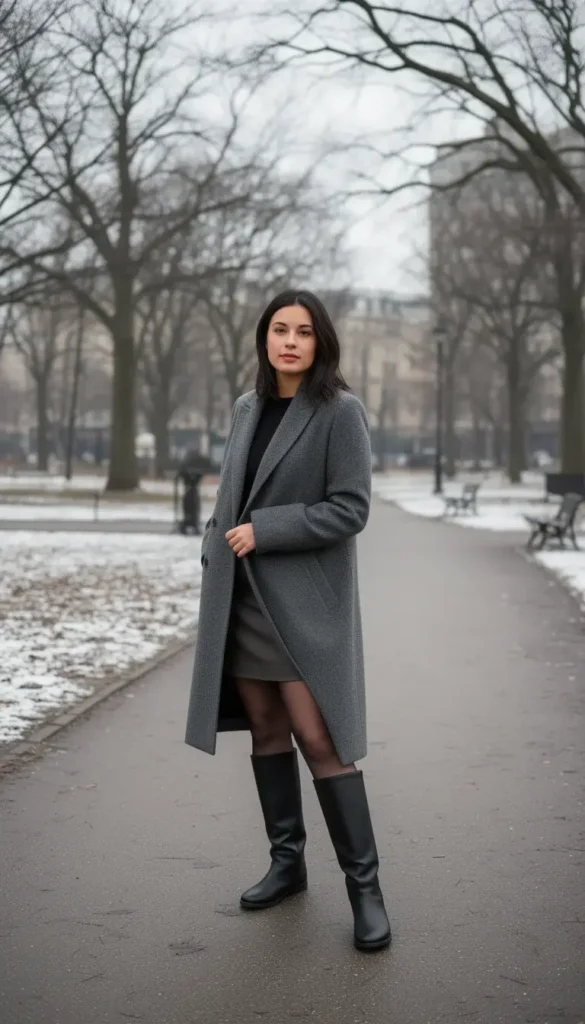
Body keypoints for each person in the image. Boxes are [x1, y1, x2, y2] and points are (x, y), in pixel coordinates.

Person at [185, 289, 391, 952]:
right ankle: (287, 864)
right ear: (264, 339)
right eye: (280, 329)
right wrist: (215, 540)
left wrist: (264, 531)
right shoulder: (248, 407)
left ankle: (366, 892)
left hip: (302, 605)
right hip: (240, 597)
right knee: (267, 731)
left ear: (319, 341)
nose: (291, 341)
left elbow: (350, 508)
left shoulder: (339, 412)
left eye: (303, 331)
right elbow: (231, 494)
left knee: (320, 740)